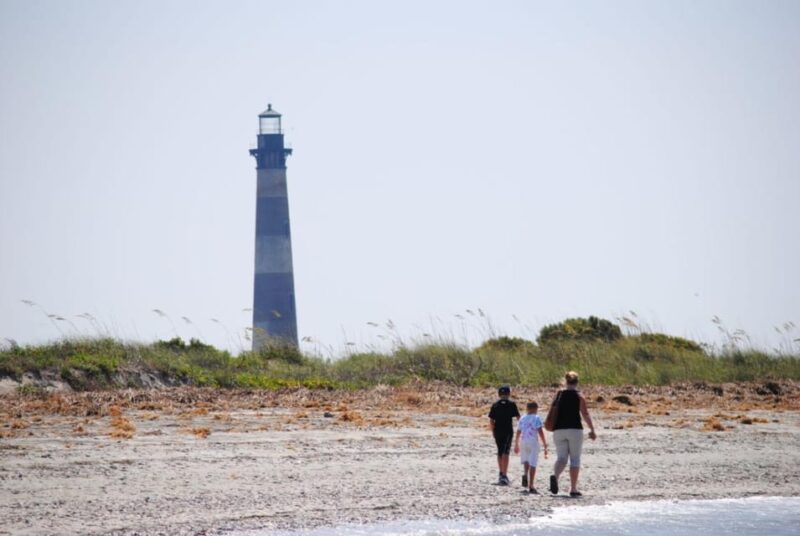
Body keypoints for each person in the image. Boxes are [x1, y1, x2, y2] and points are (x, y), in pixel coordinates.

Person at [548, 371, 596, 497]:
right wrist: (592, 429)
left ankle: (555, 476)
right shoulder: (579, 396)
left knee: (561, 458)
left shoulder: (558, 395)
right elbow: (585, 414)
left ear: (565, 381)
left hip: (558, 430)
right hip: (575, 430)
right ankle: (573, 489)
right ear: (577, 382)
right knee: (575, 459)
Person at [488, 385, 520, 486]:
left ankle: (501, 472)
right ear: (508, 394)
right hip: (507, 431)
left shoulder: (495, 405)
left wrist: (493, 431)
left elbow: (491, 420)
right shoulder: (511, 404)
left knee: (500, 451)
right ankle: (504, 475)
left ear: (499, 394)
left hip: (497, 430)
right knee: (506, 452)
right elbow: (518, 417)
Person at [513, 401, 548, 494]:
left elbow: (518, 431)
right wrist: (544, 443)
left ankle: (525, 474)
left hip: (523, 441)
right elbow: (540, 431)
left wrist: (516, 443)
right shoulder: (536, 418)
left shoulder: (522, 418)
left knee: (526, 460)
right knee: (533, 463)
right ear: (535, 409)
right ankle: (531, 485)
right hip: (533, 441)